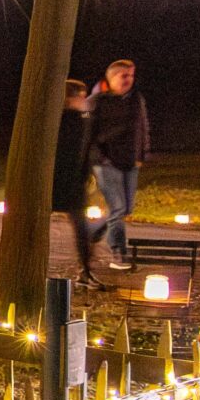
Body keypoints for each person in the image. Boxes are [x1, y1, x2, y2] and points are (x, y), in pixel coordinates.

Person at [86, 59, 149, 268]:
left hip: (129, 161)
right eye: (124, 76)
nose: (128, 80)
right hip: (106, 162)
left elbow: (142, 127)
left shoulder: (135, 99)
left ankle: (92, 232)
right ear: (112, 78)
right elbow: (87, 133)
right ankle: (118, 252)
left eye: (131, 75)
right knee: (118, 206)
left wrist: (142, 154)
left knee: (126, 209)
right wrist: (98, 157)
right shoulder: (98, 101)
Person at [51, 78, 98, 286]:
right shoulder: (59, 120)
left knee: (83, 228)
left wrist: (87, 174)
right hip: (56, 180)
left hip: (76, 182)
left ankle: (85, 270)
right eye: (81, 96)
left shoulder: (83, 119)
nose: (84, 100)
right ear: (68, 99)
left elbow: (85, 150)